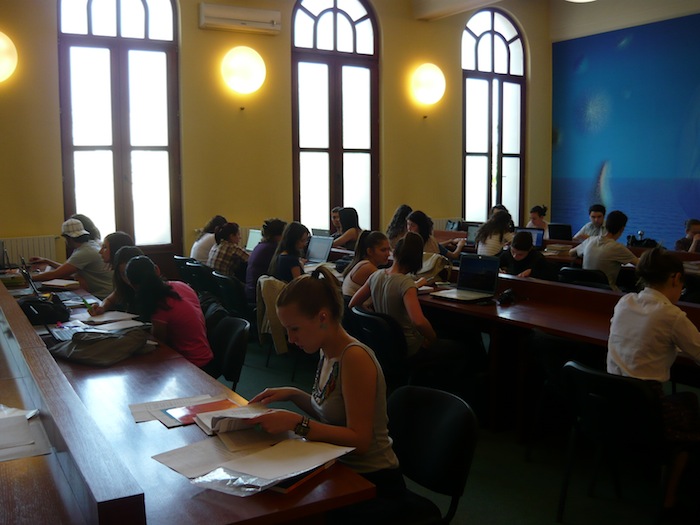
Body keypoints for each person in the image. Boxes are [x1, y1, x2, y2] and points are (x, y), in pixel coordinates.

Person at [246, 267, 405, 503]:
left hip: (371, 481)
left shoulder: (354, 357)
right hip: (337, 465)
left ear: (322, 317)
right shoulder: (326, 351)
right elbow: (331, 414)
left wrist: (296, 423)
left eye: (295, 329)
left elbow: (360, 441)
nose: (291, 339)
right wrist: (293, 394)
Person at [607, 248, 700, 509]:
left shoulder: (625, 302)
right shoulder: (671, 315)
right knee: (690, 403)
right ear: (675, 278)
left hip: (610, 405)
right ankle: (669, 496)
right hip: (647, 411)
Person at [125, 255, 213, 368]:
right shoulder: (181, 285)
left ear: (133, 286)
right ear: (157, 270)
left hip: (191, 364)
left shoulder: (161, 306)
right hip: (205, 355)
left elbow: (158, 342)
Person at [29, 218, 113, 299]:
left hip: (101, 296)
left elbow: (56, 274)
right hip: (106, 293)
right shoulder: (88, 245)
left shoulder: (83, 252)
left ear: (68, 238)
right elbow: (67, 268)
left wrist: (29, 278)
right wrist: (47, 261)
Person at [569, 210, 638, 290]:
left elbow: (571, 253)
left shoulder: (590, 240)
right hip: (607, 292)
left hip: (586, 290)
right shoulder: (618, 247)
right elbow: (641, 264)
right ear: (622, 229)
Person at [89, 245, 144, 316]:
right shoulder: (124, 285)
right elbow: (109, 300)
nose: (129, 279)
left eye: (132, 273)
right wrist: (102, 307)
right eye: (124, 274)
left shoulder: (151, 286)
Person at [245, 218, 287, 302]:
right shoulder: (273, 248)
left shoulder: (260, 246)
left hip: (251, 291)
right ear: (280, 235)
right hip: (259, 295)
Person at [341, 231, 391, 300]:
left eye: (389, 249)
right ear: (369, 251)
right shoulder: (367, 267)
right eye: (383, 250)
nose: (388, 254)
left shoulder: (362, 264)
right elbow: (392, 287)